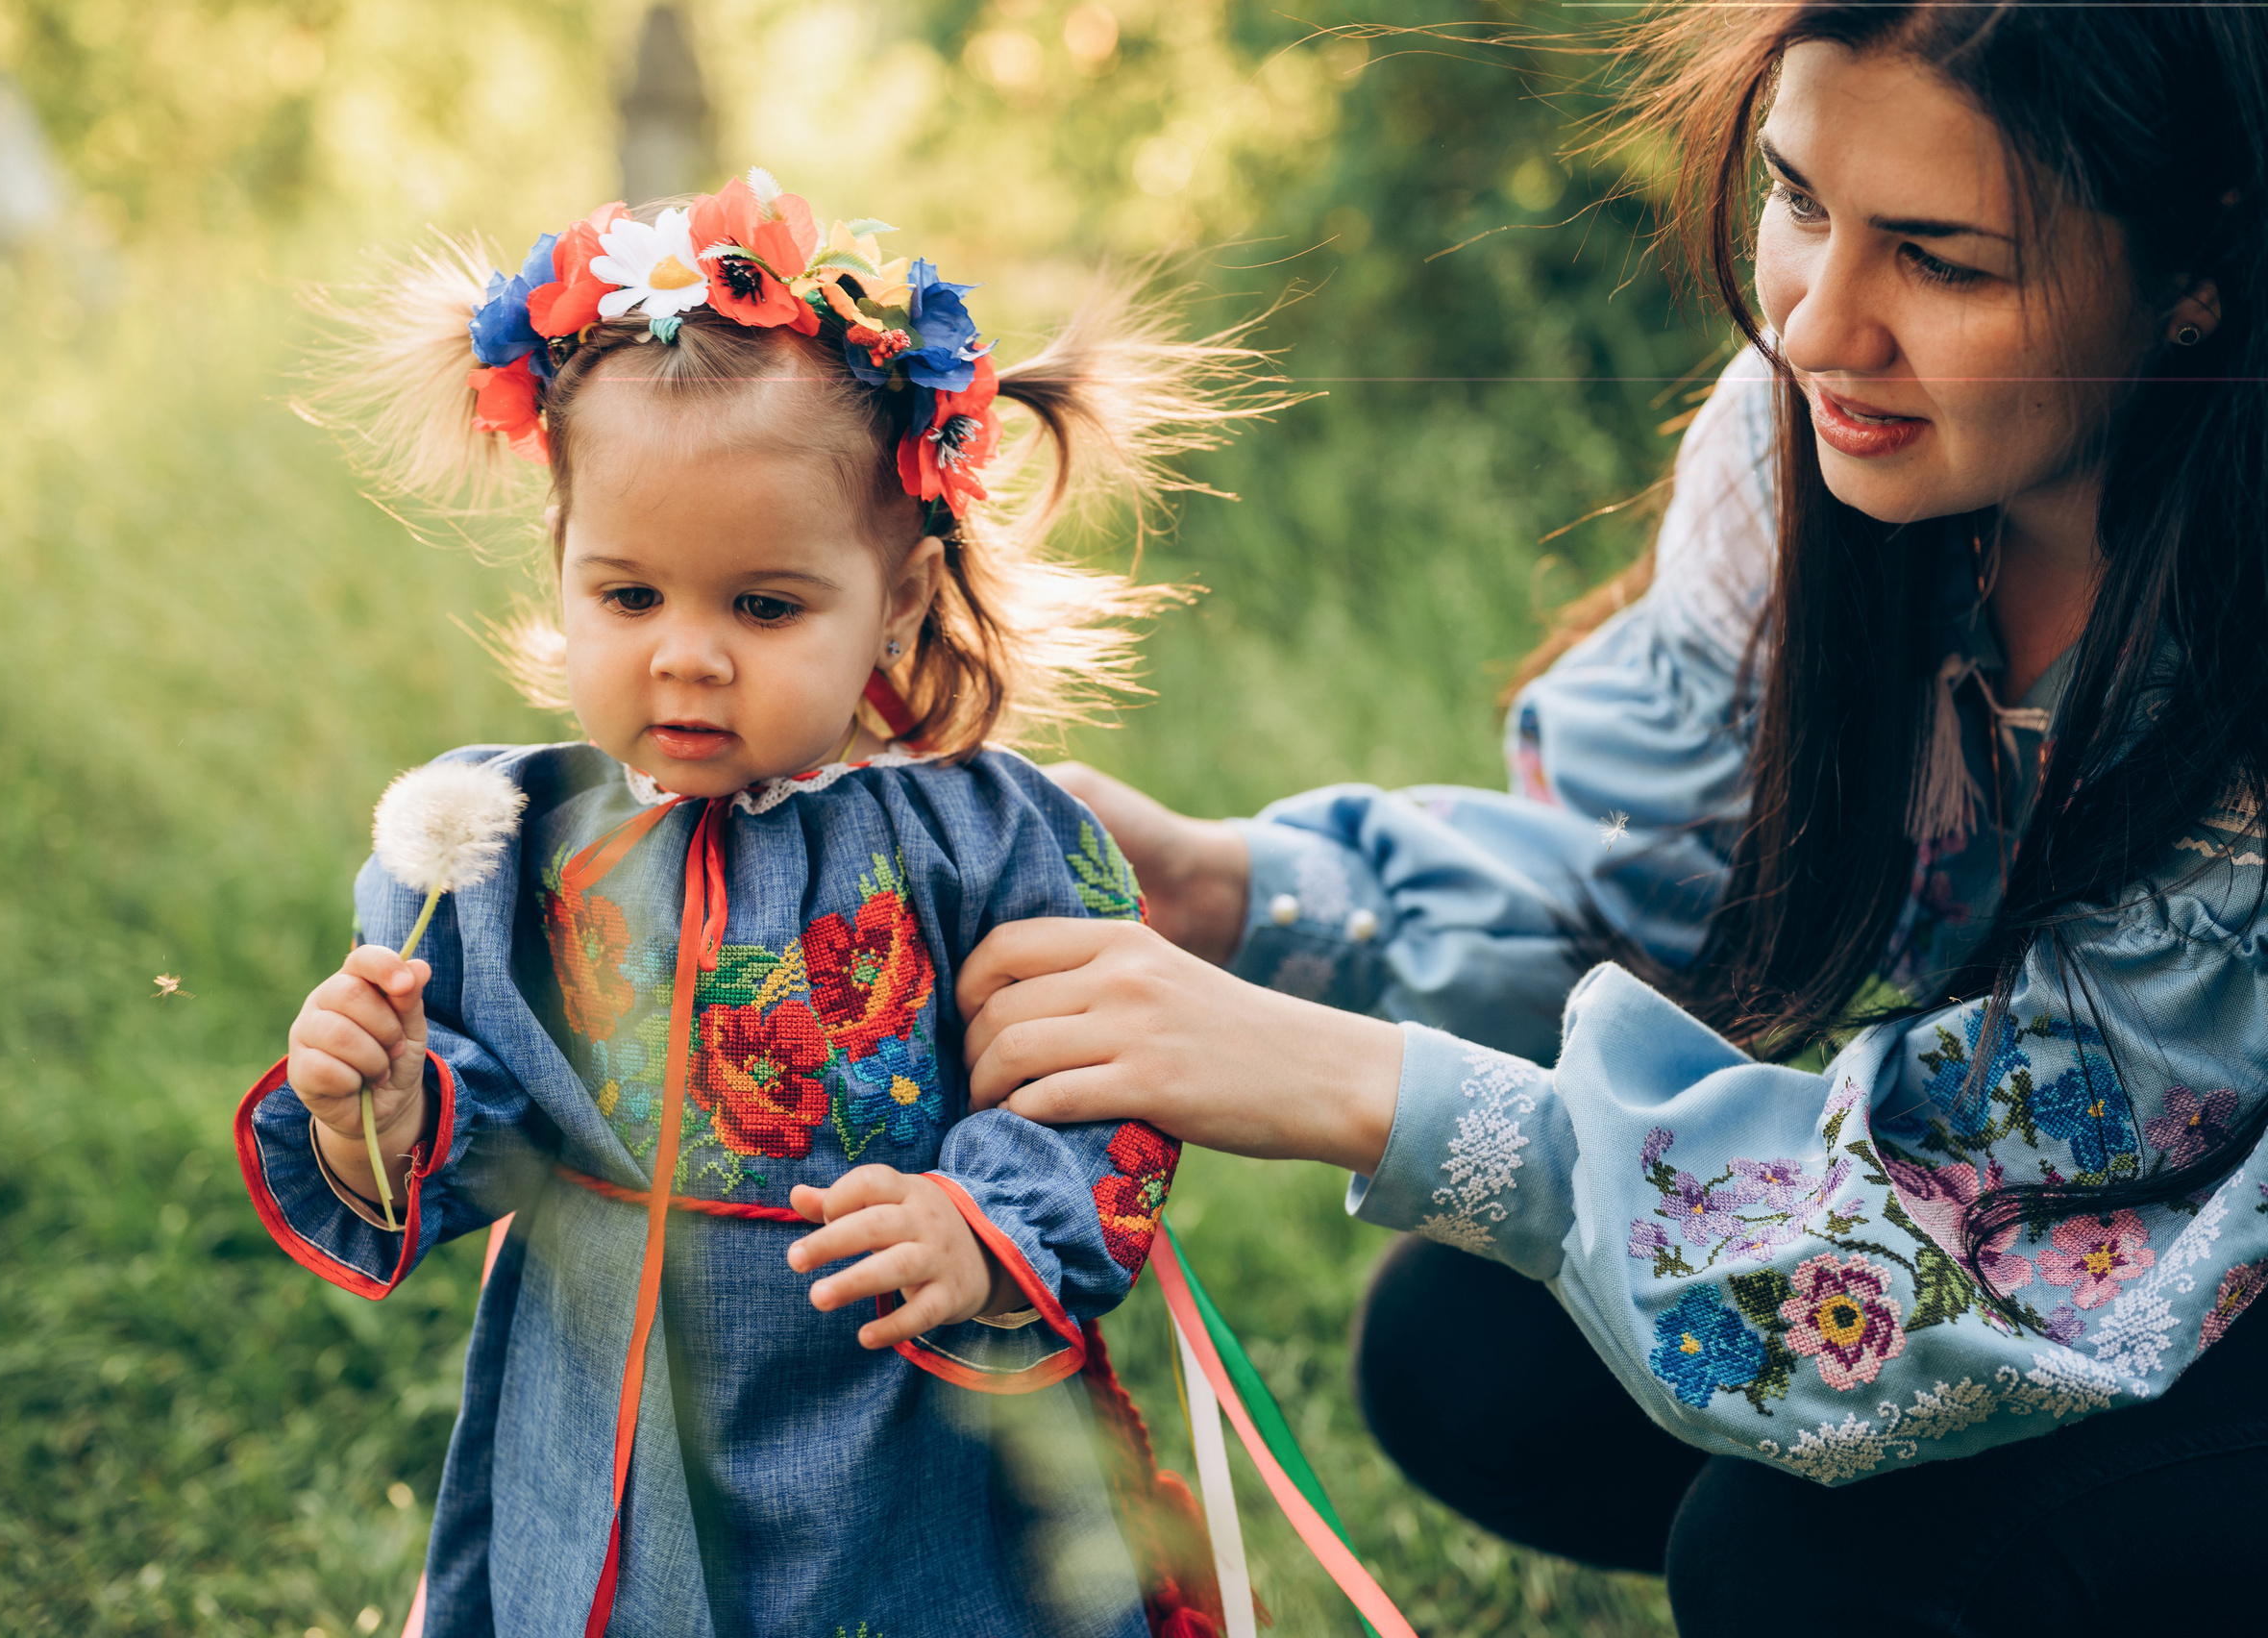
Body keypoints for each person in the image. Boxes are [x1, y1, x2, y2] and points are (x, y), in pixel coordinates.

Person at [953, 6, 2268, 1630]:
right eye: (1799, 200)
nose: (1818, 326)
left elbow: (2000, 1189)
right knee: (1470, 1354)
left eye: (1941, 261)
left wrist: (1359, 1089)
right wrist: (1233, 891)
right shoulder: (1817, 451)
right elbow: (1663, 870)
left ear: (2199, 264)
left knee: (1806, 1566)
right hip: (2085, 1201)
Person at [233, 173, 1264, 1638]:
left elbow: (1103, 1084)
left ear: (897, 600)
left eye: (765, 606)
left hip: (902, 1425)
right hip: (609, 1417)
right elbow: (479, 1122)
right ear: (560, 562)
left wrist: (978, 1228)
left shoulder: (982, 842)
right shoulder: (508, 847)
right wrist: (378, 1112)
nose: (688, 657)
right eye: (629, 597)